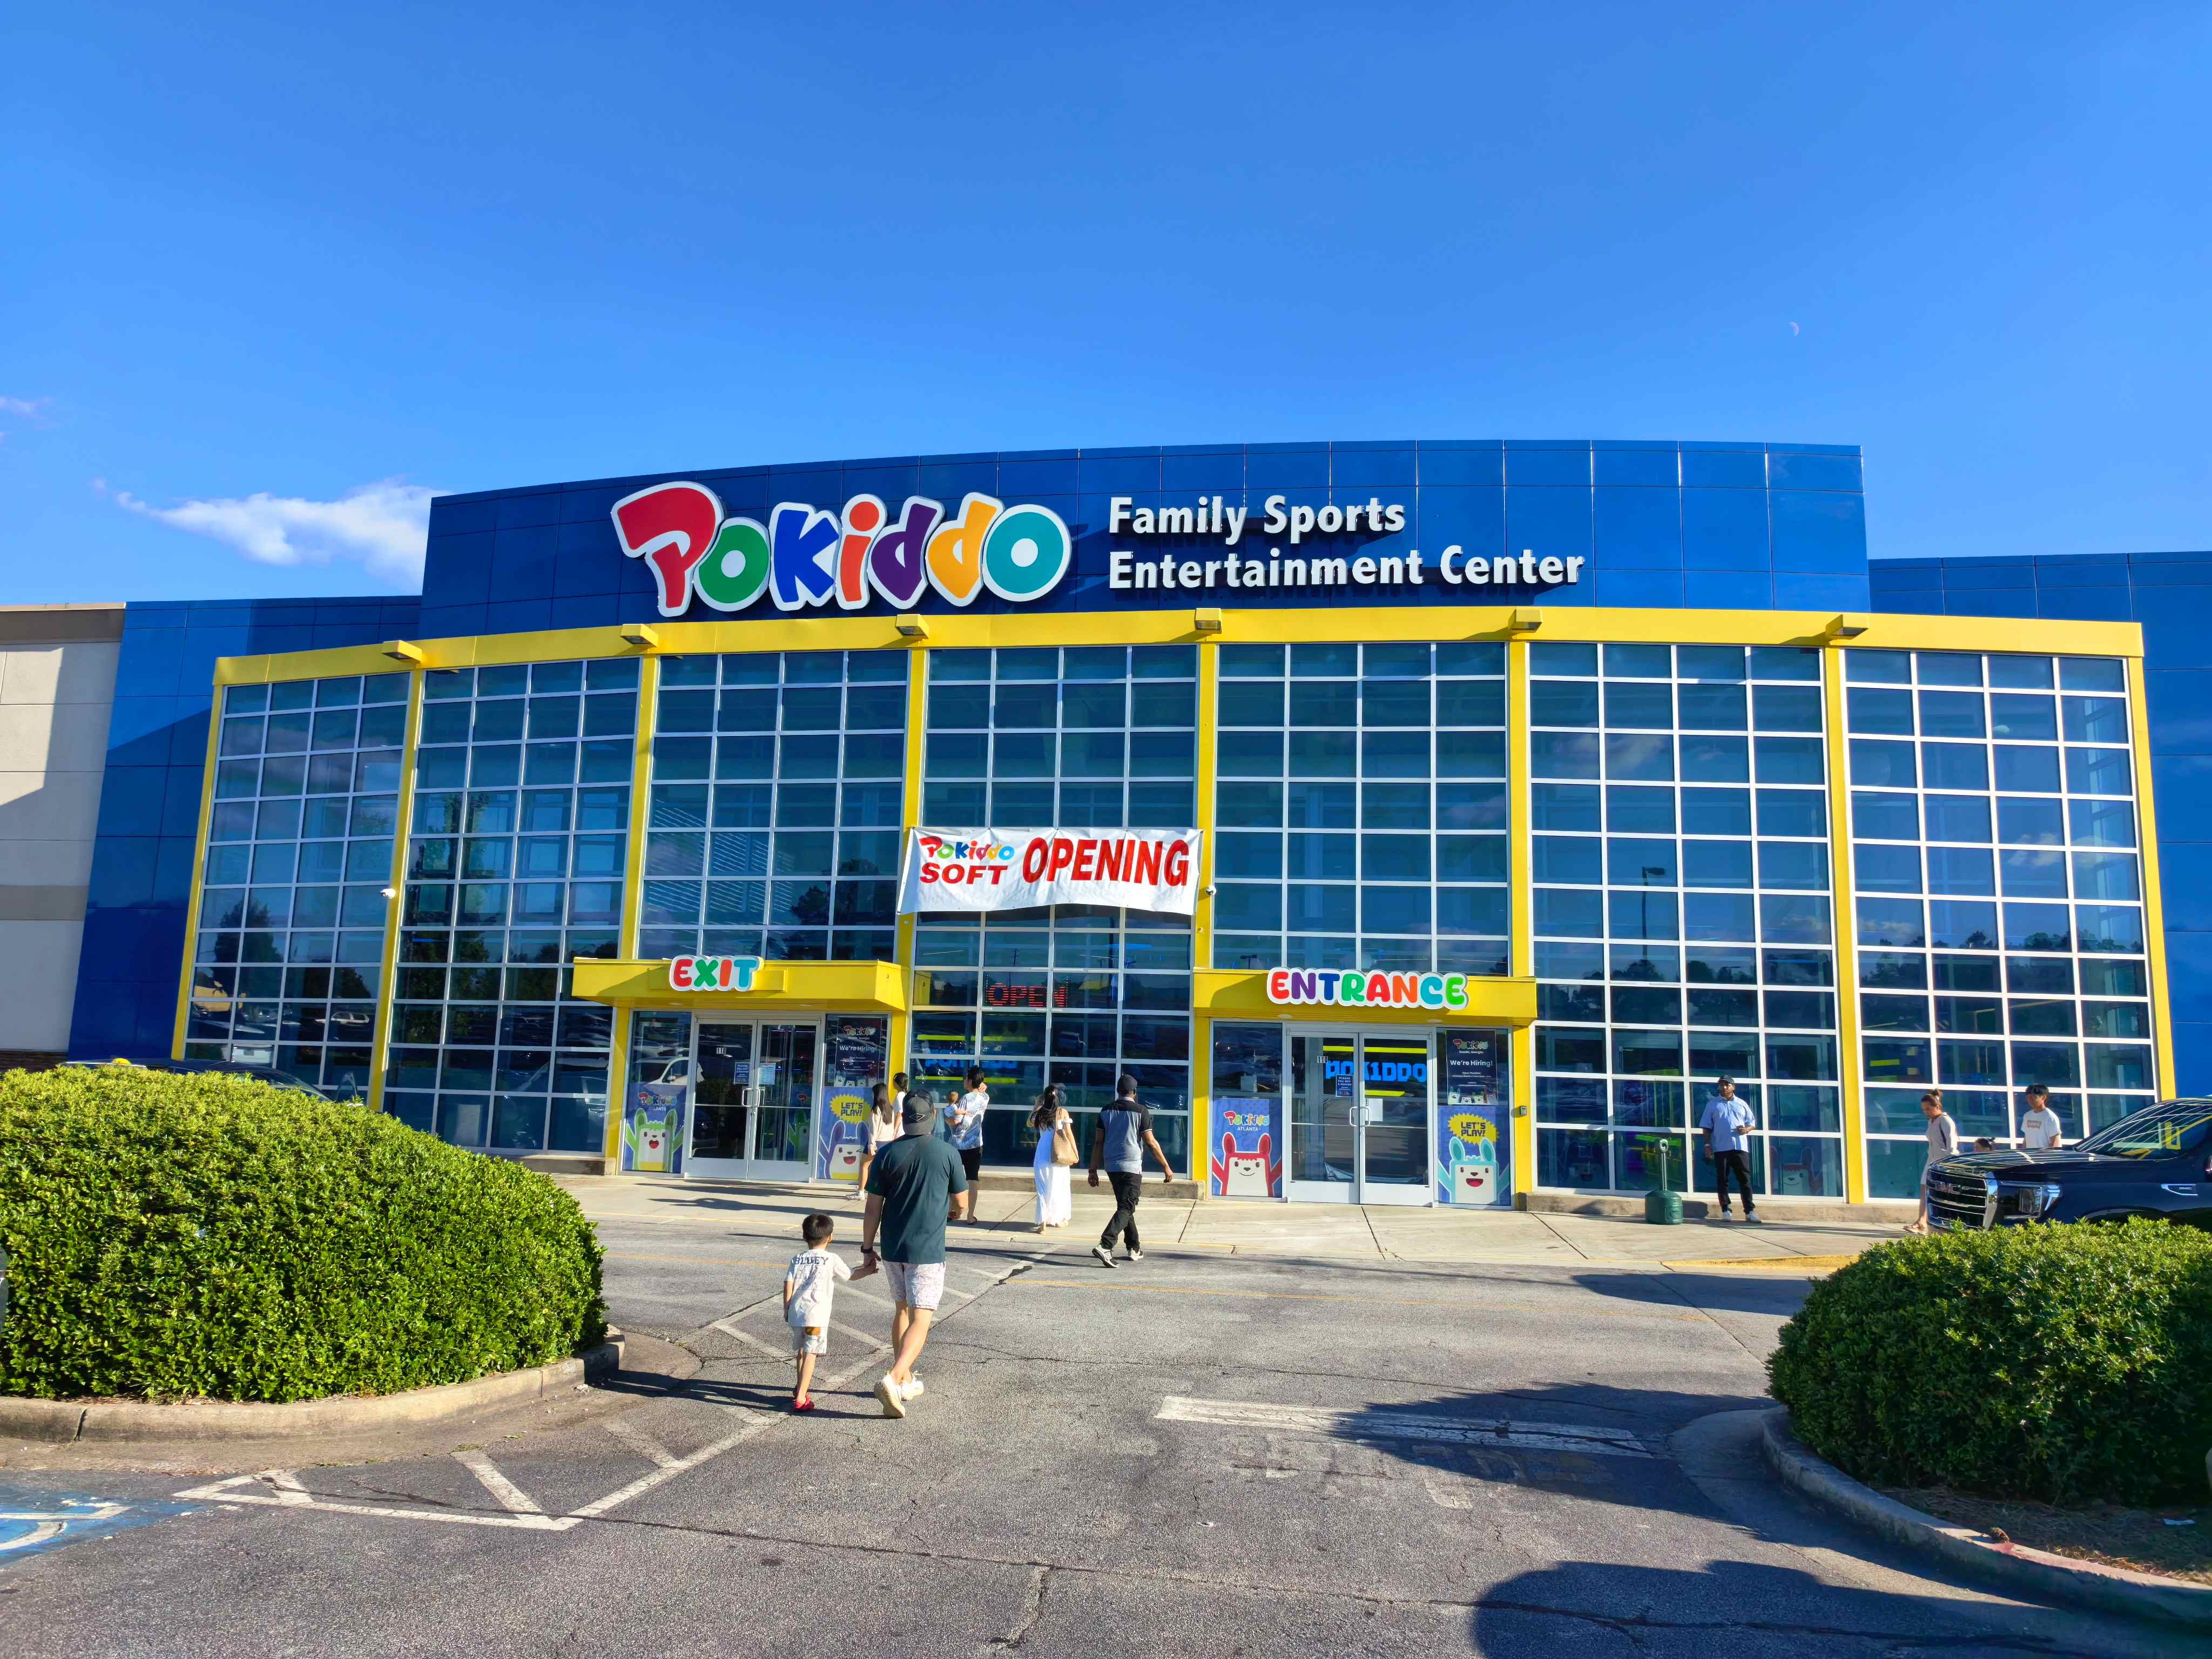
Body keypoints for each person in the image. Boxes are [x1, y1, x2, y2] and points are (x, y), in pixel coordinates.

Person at [860, 1088, 967, 1418]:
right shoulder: (948, 1153)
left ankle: (905, 1377)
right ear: (933, 1118)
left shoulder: (887, 1155)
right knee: (923, 1318)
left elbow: (873, 1208)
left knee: (902, 1311)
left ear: (903, 1118)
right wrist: (952, 1213)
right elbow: (961, 1203)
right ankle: (893, 1378)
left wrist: (867, 1248)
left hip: (893, 1246)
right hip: (928, 1249)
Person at [1089, 1073, 1175, 1267]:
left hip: (1112, 1167)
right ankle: (1105, 1245)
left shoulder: (1105, 1111)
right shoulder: (1141, 1111)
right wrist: (1166, 1167)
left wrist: (1092, 1170)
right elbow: (1151, 1143)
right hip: (1131, 1168)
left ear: (1119, 1091)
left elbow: (1098, 1142)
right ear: (1134, 1092)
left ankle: (1133, 1247)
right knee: (1127, 1207)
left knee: (1125, 1207)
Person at [782, 1212, 852, 1414]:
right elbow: (850, 1275)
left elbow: (788, 1283)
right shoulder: (831, 1259)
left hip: (796, 1313)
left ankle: (799, 1388)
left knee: (802, 1352)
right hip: (815, 1317)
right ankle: (802, 1397)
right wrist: (869, 1269)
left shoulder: (797, 1259)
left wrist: (787, 1308)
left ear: (804, 1237)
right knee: (811, 1352)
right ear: (831, 1237)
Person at [1697, 1075, 1761, 1224]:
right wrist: (1707, 1146)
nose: (1724, 1088)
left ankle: (1750, 1211)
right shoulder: (1713, 1105)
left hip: (1740, 1147)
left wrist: (1747, 1129)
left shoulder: (1741, 1104)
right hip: (1721, 1148)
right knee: (1722, 1180)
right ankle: (1726, 1210)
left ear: (1734, 1087)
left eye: (1727, 1085)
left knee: (1744, 1179)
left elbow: (1752, 1122)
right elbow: (1706, 1128)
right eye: (1722, 1085)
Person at [1906, 1090, 1959, 1234]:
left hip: (1944, 1161)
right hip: (1932, 1160)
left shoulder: (1945, 1121)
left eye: (1928, 1109)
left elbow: (1952, 1144)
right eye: (1923, 1110)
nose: (1926, 1112)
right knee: (1924, 1188)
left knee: (1943, 1192)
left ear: (1937, 1106)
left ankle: (1945, 1222)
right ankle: (1921, 1222)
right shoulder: (1931, 1122)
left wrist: (1948, 1164)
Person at [944, 1065, 989, 1225]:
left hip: (958, 1143)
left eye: (966, 1078)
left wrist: (947, 1120)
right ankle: (971, 1215)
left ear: (970, 1081)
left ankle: (952, 1211)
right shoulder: (986, 1097)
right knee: (973, 1179)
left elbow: (956, 1121)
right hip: (976, 1143)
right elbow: (983, 1090)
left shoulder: (965, 1099)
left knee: (952, 1177)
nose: (964, 1081)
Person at [1030, 1084, 1075, 1233]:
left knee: (1042, 1188)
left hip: (1042, 1151)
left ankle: (1043, 1224)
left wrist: (1037, 1104)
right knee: (1059, 1186)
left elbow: (1030, 1121)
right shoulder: (1063, 1112)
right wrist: (1075, 1151)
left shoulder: (1040, 1113)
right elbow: (1068, 1134)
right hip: (1058, 1151)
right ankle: (1058, 1219)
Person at [856, 1082, 900, 1203]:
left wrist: (871, 1145)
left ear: (877, 1095)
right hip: (887, 1142)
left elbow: (873, 1130)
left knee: (864, 1166)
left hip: (876, 1143)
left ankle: (860, 1192)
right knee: (882, 1170)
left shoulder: (876, 1110)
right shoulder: (890, 1109)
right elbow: (891, 1127)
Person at [2019, 1083, 2065, 1152]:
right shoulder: (2027, 1116)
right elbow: (2026, 1139)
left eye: (2033, 1097)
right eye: (2028, 1097)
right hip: (2031, 1159)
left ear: (2043, 1097)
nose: (2030, 1100)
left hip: (2044, 1160)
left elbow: (2056, 1143)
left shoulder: (2050, 1117)